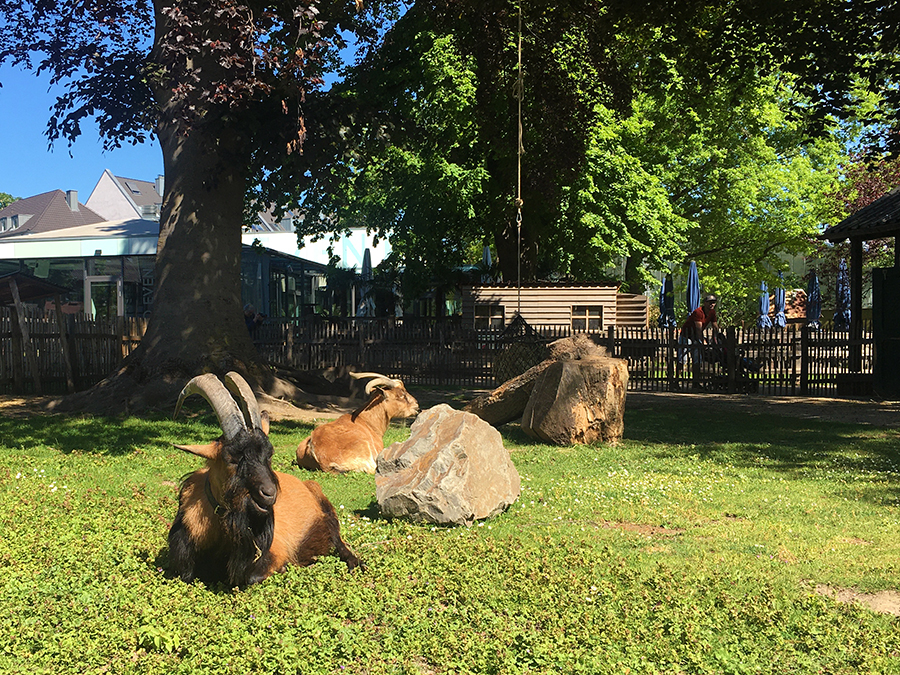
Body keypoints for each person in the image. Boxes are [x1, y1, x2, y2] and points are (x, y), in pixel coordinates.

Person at [678, 294, 719, 366]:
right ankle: (677, 376)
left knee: (697, 359)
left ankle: (696, 377)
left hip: (696, 337)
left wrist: (716, 339)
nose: (712, 304)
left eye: (713, 302)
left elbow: (715, 326)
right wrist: (703, 341)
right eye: (710, 302)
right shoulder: (699, 312)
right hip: (686, 335)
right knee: (682, 359)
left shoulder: (712, 312)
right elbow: (698, 328)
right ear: (705, 303)